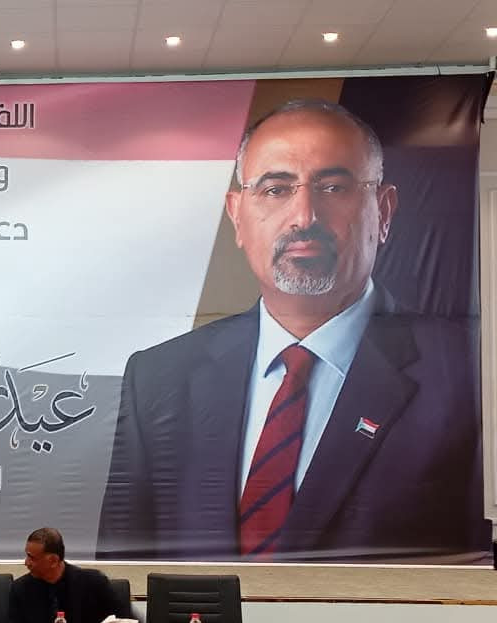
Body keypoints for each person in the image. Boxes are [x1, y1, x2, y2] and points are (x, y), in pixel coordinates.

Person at [98, 98, 490, 563]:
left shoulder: (473, 375)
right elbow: (122, 573)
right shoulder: (159, 377)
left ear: (383, 212)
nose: (304, 217)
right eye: (275, 189)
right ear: (237, 215)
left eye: (333, 187)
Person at [6, 527, 117, 623]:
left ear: (53, 561)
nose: (26, 563)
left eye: (32, 558)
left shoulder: (94, 583)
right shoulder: (21, 588)